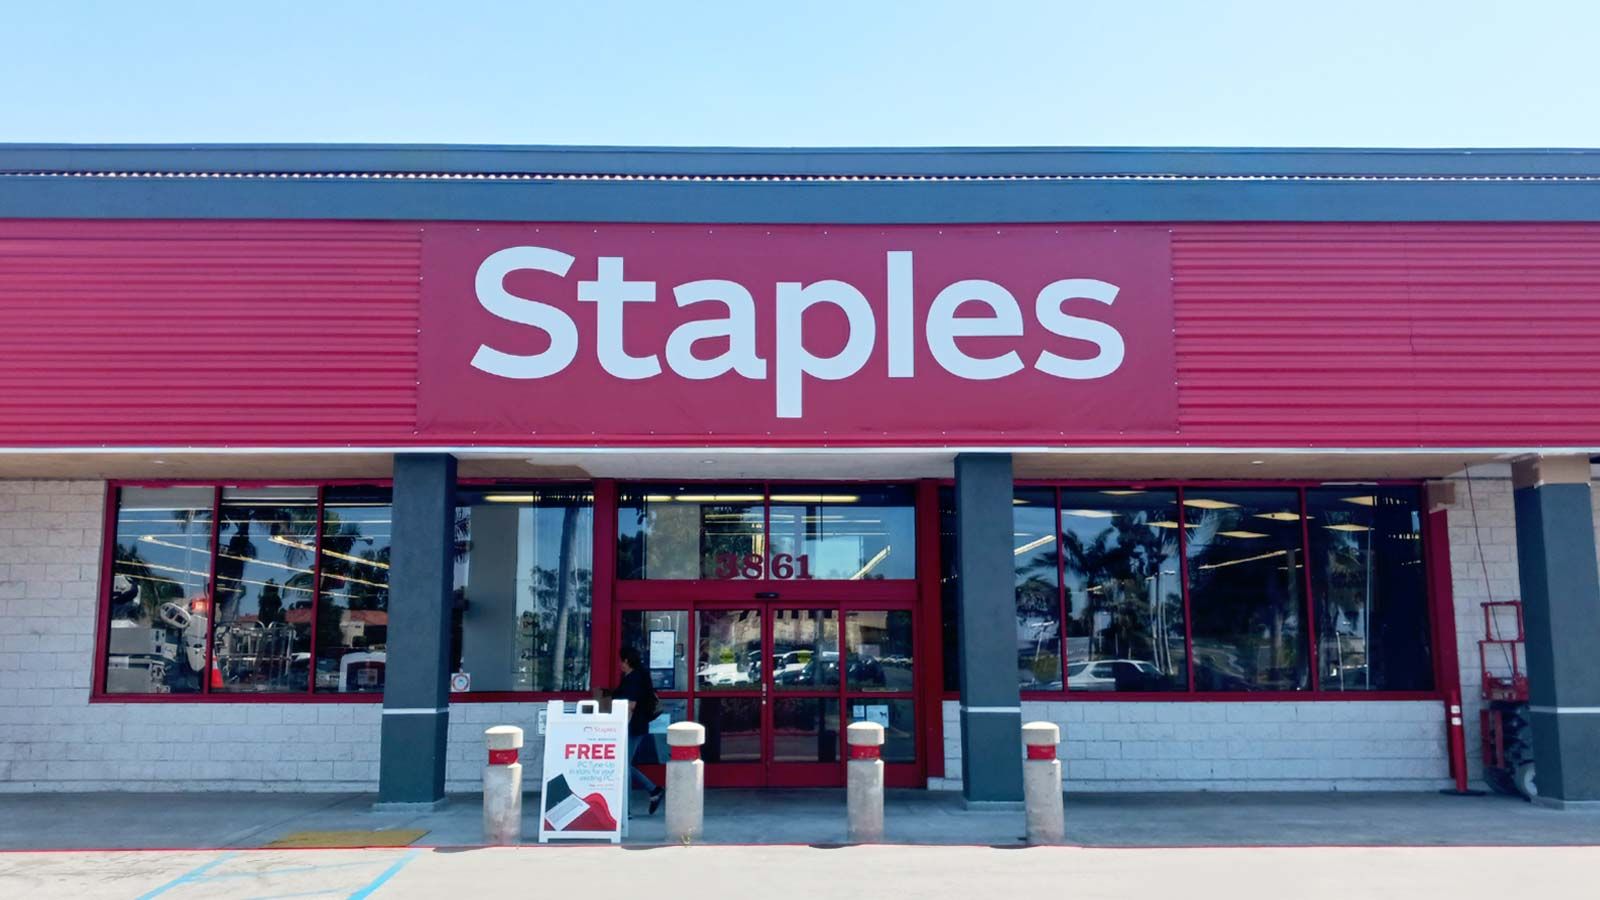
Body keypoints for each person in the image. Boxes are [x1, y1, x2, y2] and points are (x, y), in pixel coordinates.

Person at [609, 646, 664, 815]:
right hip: (636, 725)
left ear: (626, 660)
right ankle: (653, 790)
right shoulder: (635, 676)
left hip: (632, 726)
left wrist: (621, 726)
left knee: (623, 766)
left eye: (621, 661)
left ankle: (625, 810)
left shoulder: (634, 678)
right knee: (623, 764)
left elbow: (630, 705)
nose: (619, 664)